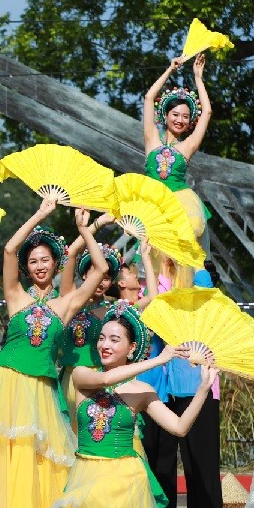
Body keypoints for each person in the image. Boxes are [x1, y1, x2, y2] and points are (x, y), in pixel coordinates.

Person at [0, 200, 108, 507]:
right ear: (27, 268)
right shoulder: (16, 295)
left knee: (36, 457)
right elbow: (8, 249)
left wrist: (86, 230)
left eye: (45, 260)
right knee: (1, 451)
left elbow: (101, 269)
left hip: (41, 389)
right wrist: (41, 213)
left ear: (56, 264)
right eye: (33, 261)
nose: (39, 266)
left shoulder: (67, 304)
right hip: (4, 383)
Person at [55, 301, 217, 507]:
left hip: (126, 480)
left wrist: (203, 389)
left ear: (131, 348)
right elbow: (106, 380)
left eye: (114, 340)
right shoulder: (82, 375)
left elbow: (179, 427)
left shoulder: (142, 391)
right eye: (102, 338)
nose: (105, 345)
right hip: (85, 474)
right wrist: (159, 360)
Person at [150, 270, 222, 508]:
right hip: (176, 393)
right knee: (190, 464)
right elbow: (158, 299)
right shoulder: (173, 307)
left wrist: (190, 268)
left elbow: (202, 282)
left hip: (203, 390)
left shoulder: (209, 308)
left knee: (205, 464)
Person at [142, 53, 212, 288]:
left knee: (189, 230)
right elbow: (149, 97)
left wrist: (198, 79)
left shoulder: (187, 147)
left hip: (181, 201)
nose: (180, 120)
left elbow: (208, 113)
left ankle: (198, 275)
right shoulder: (151, 140)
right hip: (153, 206)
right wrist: (170, 70)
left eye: (185, 116)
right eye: (176, 114)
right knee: (158, 258)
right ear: (166, 115)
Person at [58, 215, 123, 427]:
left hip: (99, 380)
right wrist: (93, 226)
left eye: (105, 277)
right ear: (85, 275)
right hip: (70, 377)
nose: (100, 281)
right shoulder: (70, 299)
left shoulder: (112, 311)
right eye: (94, 273)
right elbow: (70, 254)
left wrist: (147, 260)